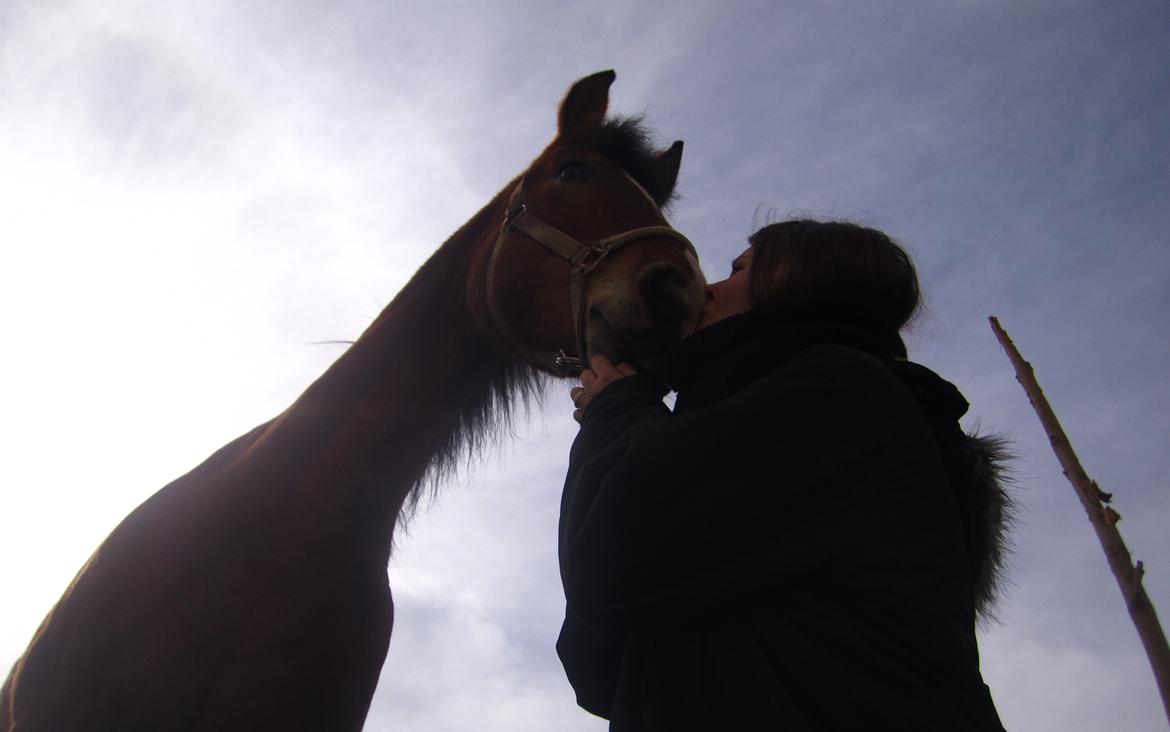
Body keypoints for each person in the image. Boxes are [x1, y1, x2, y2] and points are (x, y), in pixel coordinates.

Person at [557, 219, 1011, 731]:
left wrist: (618, 413)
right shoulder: (775, 428)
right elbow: (598, 671)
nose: (705, 290)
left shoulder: (845, 398)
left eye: (739, 269)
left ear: (797, 277)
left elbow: (607, 565)